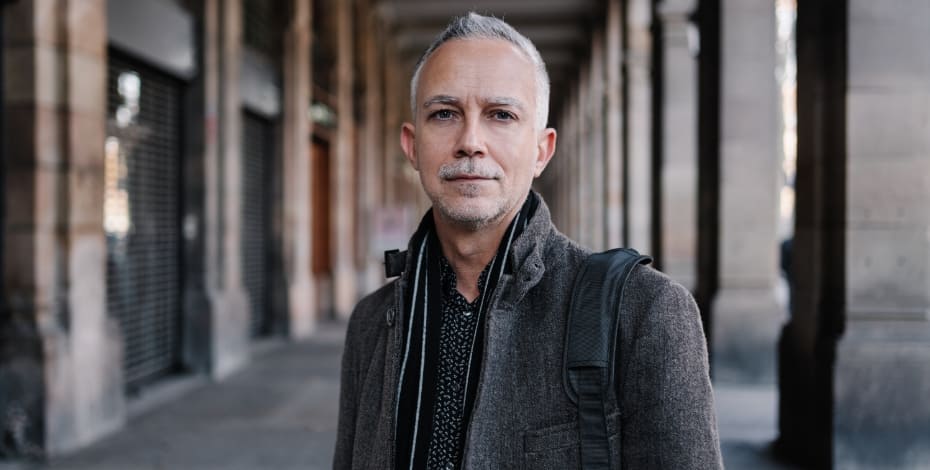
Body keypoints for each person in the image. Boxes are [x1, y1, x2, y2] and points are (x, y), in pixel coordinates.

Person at [334, 12, 722, 469]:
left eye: (501, 115)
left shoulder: (643, 311)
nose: (471, 142)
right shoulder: (373, 322)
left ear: (542, 150)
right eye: (444, 114)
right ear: (412, 146)